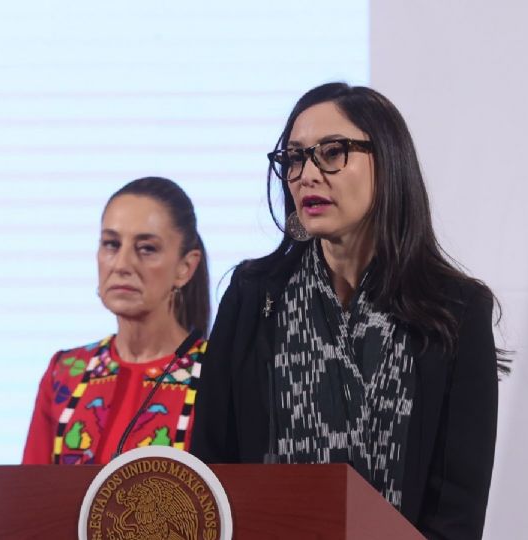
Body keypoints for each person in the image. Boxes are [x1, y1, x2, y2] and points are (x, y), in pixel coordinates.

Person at [190, 83, 506, 539]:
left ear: (389, 161)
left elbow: (457, 512)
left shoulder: (455, 310)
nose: (306, 175)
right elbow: (213, 470)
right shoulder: (252, 296)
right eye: (295, 158)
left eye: (332, 152)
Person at [23, 177, 210, 465]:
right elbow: (29, 499)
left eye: (146, 248)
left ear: (185, 267)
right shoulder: (65, 373)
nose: (122, 265)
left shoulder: (216, 375)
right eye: (111, 244)